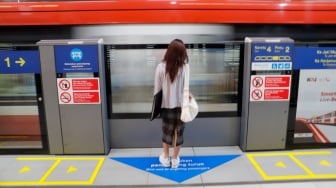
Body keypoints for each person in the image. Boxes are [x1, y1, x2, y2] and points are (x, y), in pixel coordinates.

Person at [154, 39, 189, 169]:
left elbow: (157, 90)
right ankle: (175, 160)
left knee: (166, 131)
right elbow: (186, 88)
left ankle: (166, 158)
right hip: (181, 106)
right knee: (178, 132)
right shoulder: (185, 67)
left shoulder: (160, 67)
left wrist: (156, 106)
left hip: (166, 105)